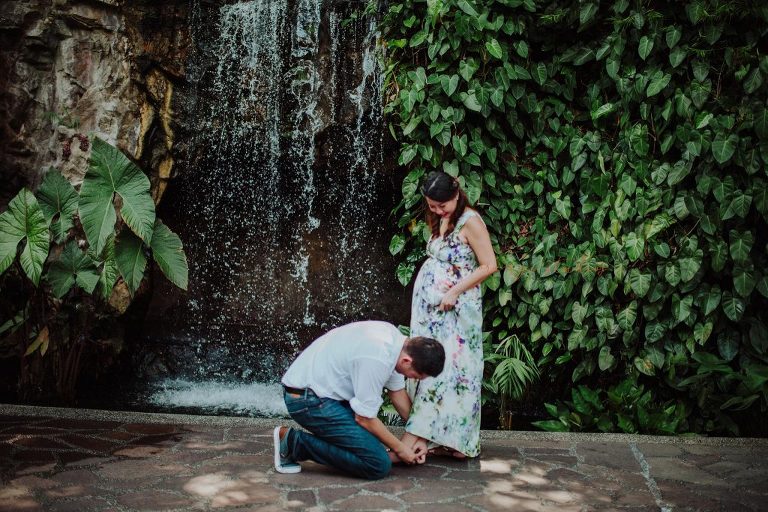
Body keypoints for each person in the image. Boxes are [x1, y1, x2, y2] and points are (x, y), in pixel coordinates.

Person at [400, 170, 498, 460]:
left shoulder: (471, 222)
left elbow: (489, 265)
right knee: (429, 366)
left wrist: (454, 291)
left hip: (457, 309)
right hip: (431, 310)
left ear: (456, 195)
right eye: (431, 205)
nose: (436, 210)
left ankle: (459, 439)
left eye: (441, 205)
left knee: (457, 369)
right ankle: (434, 434)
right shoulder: (441, 218)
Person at [273, 320, 445, 479]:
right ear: (407, 361)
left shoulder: (395, 344)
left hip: (326, 396)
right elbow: (365, 418)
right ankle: (293, 443)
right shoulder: (377, 357)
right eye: (416, 376)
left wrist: (420, 437)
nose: (413, 379)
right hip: (307, 400)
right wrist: (402, 450)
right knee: (378, 464)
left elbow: (397, 393)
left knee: (371, 445)